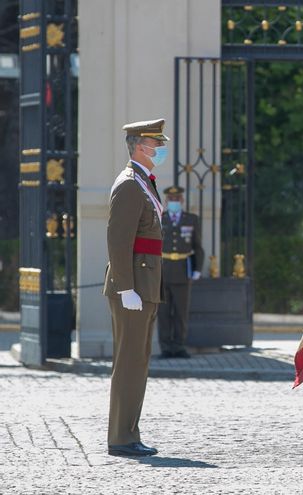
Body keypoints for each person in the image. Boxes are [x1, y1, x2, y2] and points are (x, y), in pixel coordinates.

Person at [102, 118, 168, 457]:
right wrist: (126, 287)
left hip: (145, 284)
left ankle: (130, 433)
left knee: (138, 361)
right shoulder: (129, 184)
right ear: (140, 146)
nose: (160, 150)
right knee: (129, 362)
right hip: (133, 287)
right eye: (156, 145)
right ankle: (121, 438)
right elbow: (118, 239)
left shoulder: (144, 182)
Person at [157, 186, 204, 359]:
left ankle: (179, 346)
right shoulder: (159, 219)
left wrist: (198, 269)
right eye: (171, 199)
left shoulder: (191, 220)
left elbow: (197, 247)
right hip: (162, 272)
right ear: (166, 201)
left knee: (181, 313)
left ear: (182, 201)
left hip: (183, 272)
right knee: (163, 313)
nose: (174, 202)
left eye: (177, 199)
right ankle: (165, 347)